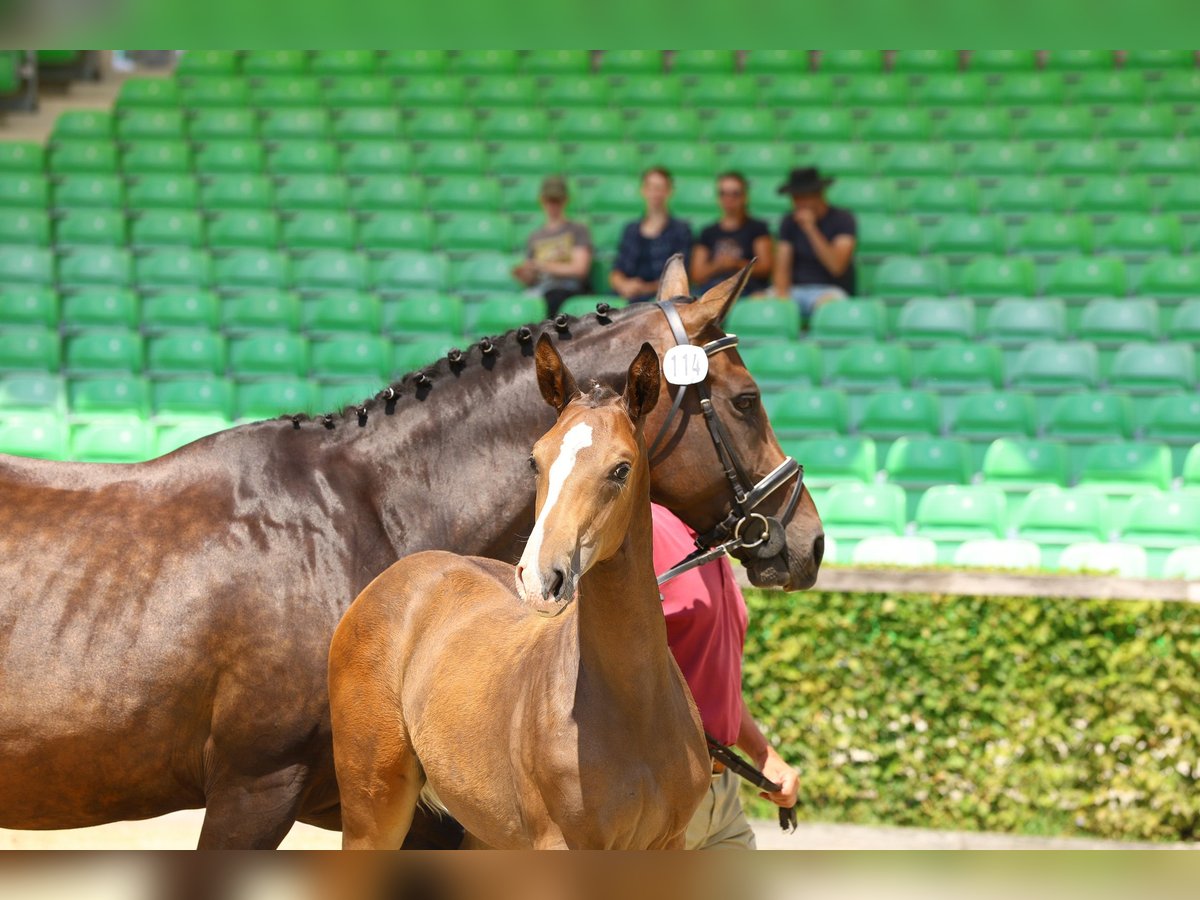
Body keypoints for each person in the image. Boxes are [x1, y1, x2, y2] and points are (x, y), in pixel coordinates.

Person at [652, 502, 799, 850]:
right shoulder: (645, 524)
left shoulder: (713, 541)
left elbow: (716, 685)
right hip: (662, 795)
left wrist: (765, 755)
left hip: (724, 796)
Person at [773, 166, 857, 321]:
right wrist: (782, 297)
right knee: (757, 302)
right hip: (795, 291)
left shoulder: (843, 220)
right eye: (795, 197)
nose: (799, 203)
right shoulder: (788, 222)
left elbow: (836, 266)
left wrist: (811, 229)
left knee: (828, 308)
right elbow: (782, 268)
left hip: (830, 290)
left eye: (804, 197)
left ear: (819, 194)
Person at [511, 175, 594, 317]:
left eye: (556, 201)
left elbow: (580, 269)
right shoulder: (535, 236)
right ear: (542, 201)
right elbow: (531, 277)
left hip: (566, 289)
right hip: (542, 288)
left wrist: (545, 266)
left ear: (565, 201)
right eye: (549, 200)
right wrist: (524, 273)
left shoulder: (577, 230)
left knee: (553, 298)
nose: (553, 205)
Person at [610, 167, 693, 303]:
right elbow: (616, 270)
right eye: (651, 187)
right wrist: (623, 285)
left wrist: (645, 288)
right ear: (643, 190)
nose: (655, 193)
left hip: (662, 297)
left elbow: (680, 276)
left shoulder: (681, 230)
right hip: (628, 294)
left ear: (669, 191)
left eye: (660, 188)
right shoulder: (630, 229)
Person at [689, 171, 774, 295]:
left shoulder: (758, 229)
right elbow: (696, 275)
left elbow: (766, 268)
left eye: (735, 194)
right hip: (712, 293)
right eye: (724, 194)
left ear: (745, 196)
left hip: (748, 291)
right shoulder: (707, 232)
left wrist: (736, 264)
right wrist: (718, 265)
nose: (729, 199)